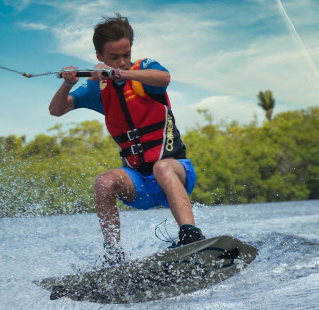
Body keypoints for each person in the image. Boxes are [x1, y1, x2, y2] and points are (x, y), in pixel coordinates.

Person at [48, 13, 204, 266]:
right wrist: (68, 83)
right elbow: (56, 110)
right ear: (99, 57)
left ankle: (190, 236)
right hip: (138, 184)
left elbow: (164, 78)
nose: (122, 61)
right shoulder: (96, 89)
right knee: (103, 182)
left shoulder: (144, 70)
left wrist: (121, 72)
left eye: (126, 54)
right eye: (114, 58)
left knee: (162, 167)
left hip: (175, 174)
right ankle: (114, 255)